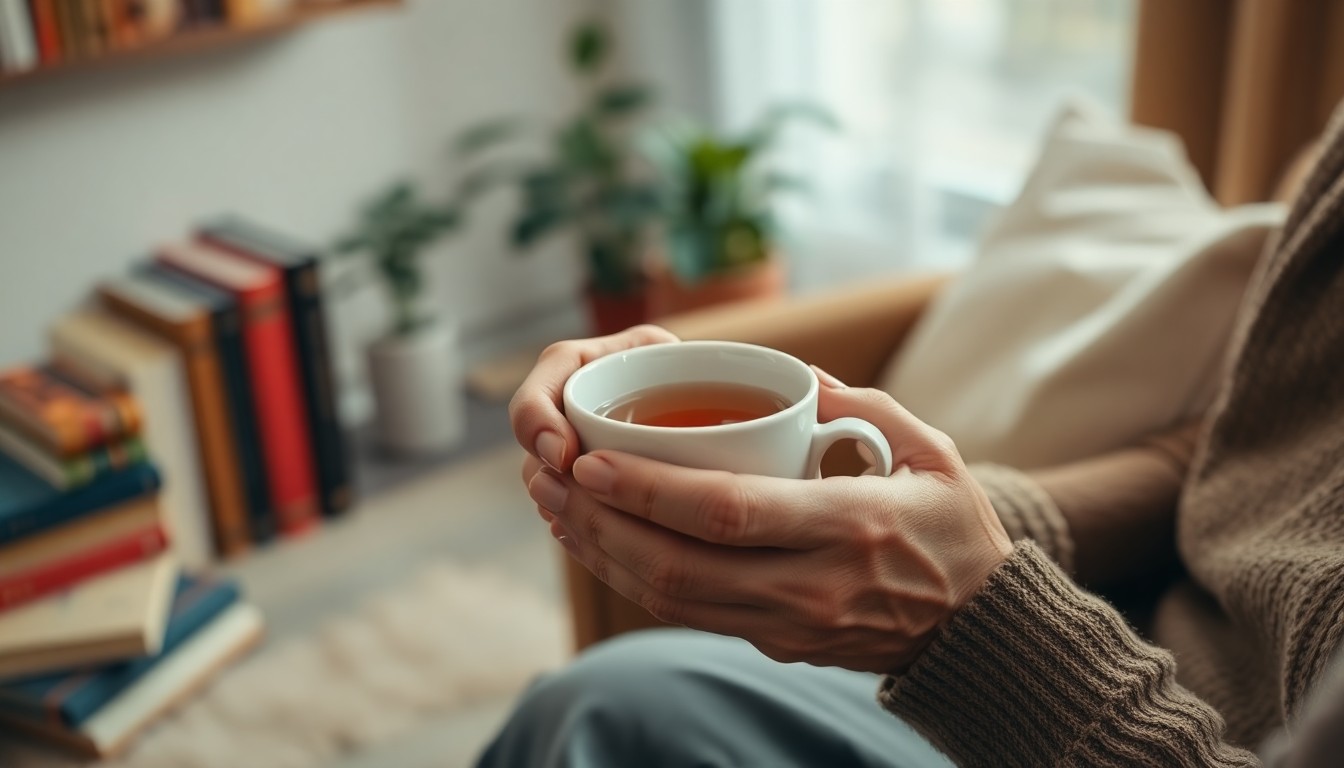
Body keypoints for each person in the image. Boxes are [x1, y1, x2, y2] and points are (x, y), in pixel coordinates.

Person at [475, 110, 1344, 766]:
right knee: (598, 702)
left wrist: (980, 618)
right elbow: (1243, 457)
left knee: (597, 713)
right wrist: (962, 528)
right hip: (1125, 633)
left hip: (1096, 720)